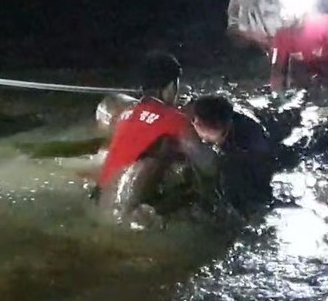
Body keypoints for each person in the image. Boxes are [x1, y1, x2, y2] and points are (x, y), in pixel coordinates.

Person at [93, 52, 216, 223]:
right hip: (130, 219)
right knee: (195, 191)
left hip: (100, 206)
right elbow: (210, 166)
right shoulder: (175, 121)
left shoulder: (126, 114)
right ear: (171, 86)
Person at [191, 94, 284, 217]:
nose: (193, 124)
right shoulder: (232, 120)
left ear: (207, 128)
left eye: (196, 121)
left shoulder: (238, 156)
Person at [268, 7, 328, 100]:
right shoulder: (282, 34)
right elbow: (277, 66)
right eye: (283, 8)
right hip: (303, 75)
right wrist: (277, 93)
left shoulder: (323, 23)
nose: (284, 14)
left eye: (288, 9)